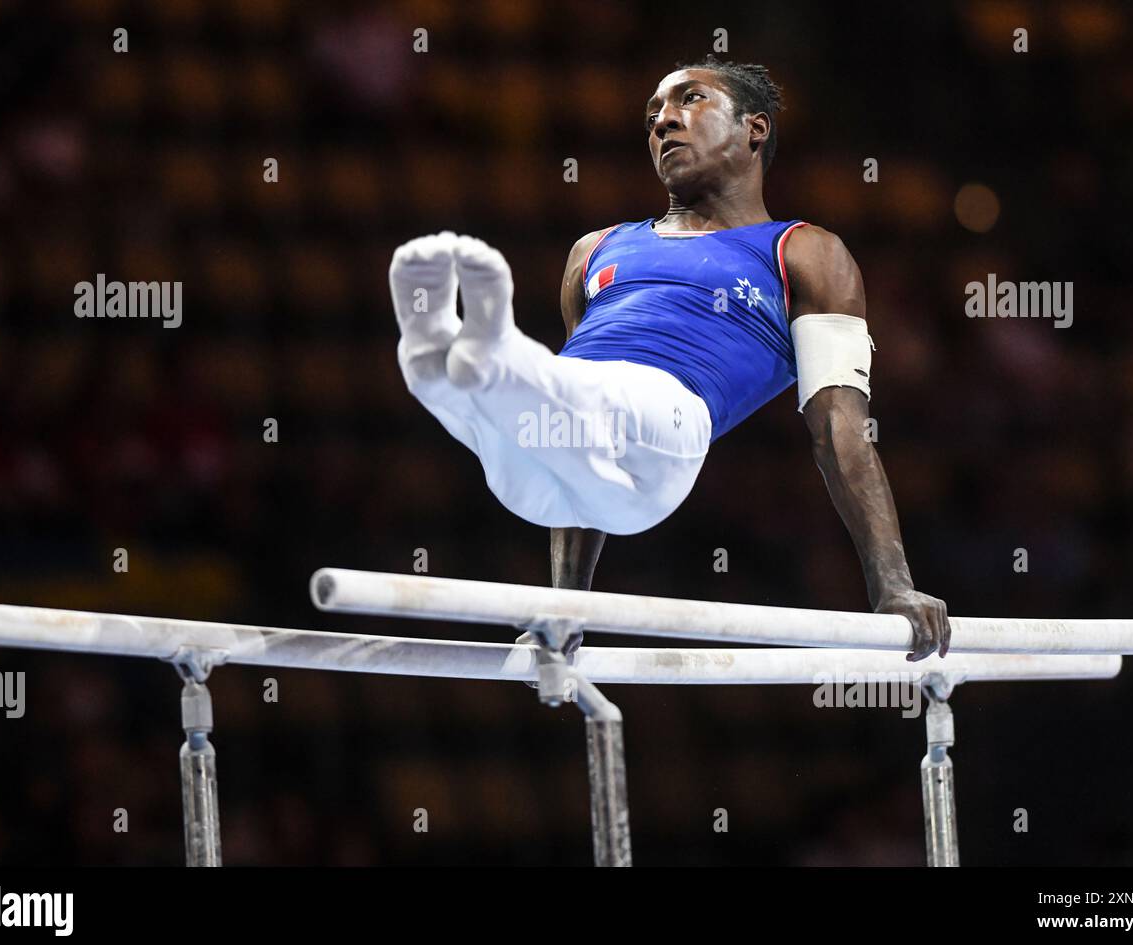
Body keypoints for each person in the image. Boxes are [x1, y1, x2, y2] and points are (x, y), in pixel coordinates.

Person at [389, 57, 950, 662]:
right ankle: (441, 366)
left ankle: (484, 352)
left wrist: (892, 585)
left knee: (556, 393)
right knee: (519, 433)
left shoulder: (804, 253)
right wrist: (568, 610)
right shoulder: (594, 250)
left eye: (690, 101)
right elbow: (578, 410)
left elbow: (839, 426)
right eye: (653, 114)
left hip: (669, 430)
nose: (663, 122)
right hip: (561, 470)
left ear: (754, 130)